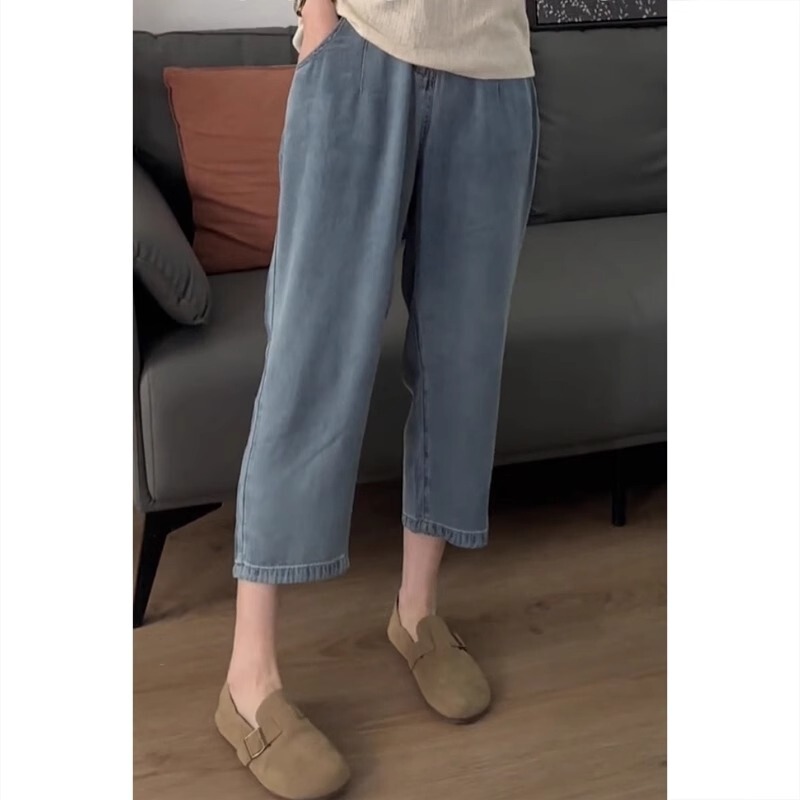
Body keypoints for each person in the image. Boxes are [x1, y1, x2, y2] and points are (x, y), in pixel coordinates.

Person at [214, 1, 539, 797]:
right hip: (361, 54)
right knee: (309, 361)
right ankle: (247, 680)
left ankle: (416, 612)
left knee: (463, 366)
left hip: (494, 70)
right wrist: (319, 18)